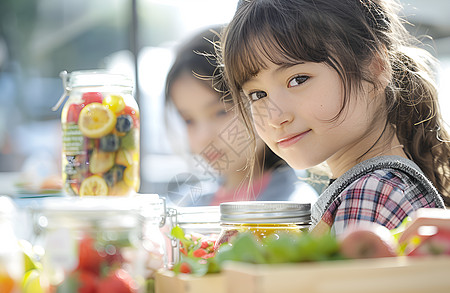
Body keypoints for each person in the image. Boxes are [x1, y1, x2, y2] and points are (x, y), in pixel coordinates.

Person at [219, 0, 450, 235]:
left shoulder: (371, 192)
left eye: (298, 79)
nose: (275, 117)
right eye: (258, 95)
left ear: (376, 67)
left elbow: (340, 273)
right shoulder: (366, 188)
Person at [164, 26, 318, 207]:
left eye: (221, 112)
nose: (204, 137)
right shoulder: (186, 206)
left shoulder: (294, 207)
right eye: (188, 120)